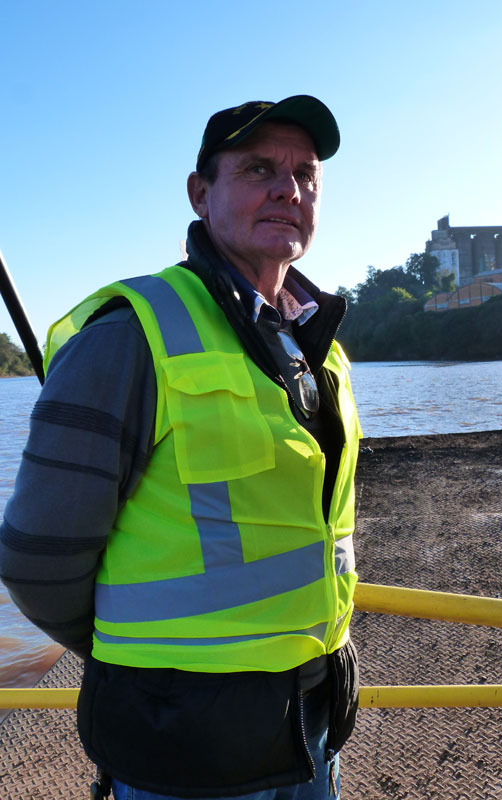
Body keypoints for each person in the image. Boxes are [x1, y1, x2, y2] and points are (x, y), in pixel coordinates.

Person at [0, 95, 362, 799]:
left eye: (305, 173)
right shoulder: (130, 336)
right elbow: (38, 560)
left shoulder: (319, 348)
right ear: (201, 194)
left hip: (312, 727)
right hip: (188, 754)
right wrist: (145, 661)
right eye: (258, 168)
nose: (288, 188)